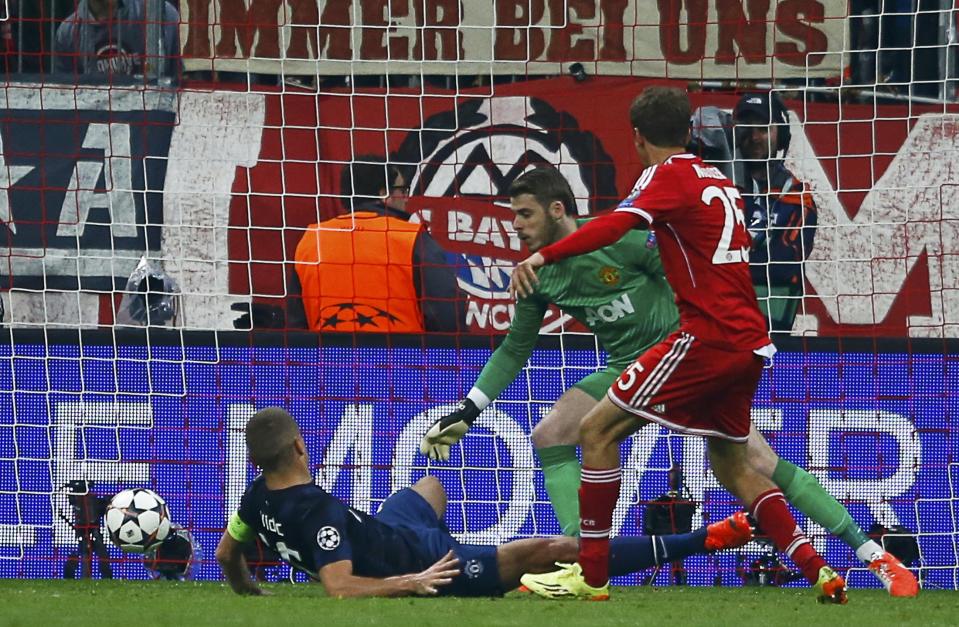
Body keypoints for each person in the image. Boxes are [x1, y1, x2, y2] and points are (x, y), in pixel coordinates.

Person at [420, 165, 918, 598]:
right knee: (551, 433)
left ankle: (871, 553)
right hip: (626, 370)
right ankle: (581, 553)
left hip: (683, 360)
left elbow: (685, 276)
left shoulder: (620, 238)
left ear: (556, 209)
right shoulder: (537, 276)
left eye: (524, 215)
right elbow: (514, 348)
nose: (517, 227)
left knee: (758, 462)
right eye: (513, 217)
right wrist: (468, 410)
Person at [509, 86, 847, 603]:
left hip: (705, 338)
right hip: (751, 341)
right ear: (690, 132)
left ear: (637, 137)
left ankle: (591, 575)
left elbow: (620, 224)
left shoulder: (665, 177)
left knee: (596, 429)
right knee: (734, 465)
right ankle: (820, 570)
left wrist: (543, 259)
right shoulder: (722, 180)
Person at [215, 407, 754, 598]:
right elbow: (339, 585)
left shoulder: (255, 498)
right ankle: (705, 539)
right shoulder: (320, 515)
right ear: (299, 447)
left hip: (389, 530)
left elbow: (225, 556)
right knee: (551, 549)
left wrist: (248, 590)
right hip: (424, 564)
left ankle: (446, 539)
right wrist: (410, 582)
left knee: (428, 486)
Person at [287, 157, 464, 333]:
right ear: (384, 194)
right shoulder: (411, 238)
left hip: (328, 358)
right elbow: (447, 315)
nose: (406, 197)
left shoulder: (312, 239)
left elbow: (296, 323)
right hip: (400, 357)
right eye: (402, 190)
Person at [732, 92, 817, 333]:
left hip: (768, 326)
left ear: (781, 136)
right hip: (711, 323)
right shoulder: (715, 189)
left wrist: (720, 265)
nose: (754, 137)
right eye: (746, 128)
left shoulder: (797, 196)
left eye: (763, 128)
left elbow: (783, 266)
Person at [54, 0, 181, 79]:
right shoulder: (67, 32)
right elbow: (65, 94)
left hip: (153, 115)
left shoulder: (163, 15)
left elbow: (182, 79)